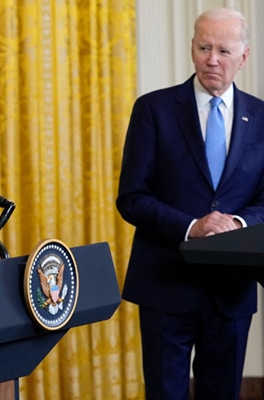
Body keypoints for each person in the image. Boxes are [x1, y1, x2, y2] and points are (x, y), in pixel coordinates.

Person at [117, 7, 264, 400]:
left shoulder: (263, 117)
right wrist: (192, 227)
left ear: (244, 57)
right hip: (165, 285)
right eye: (203, 47)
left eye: (223, 50)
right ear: (192, 48)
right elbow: (132, 198)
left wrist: (233, 222)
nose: (211, 59)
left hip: (231, 292)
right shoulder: (154, 109)